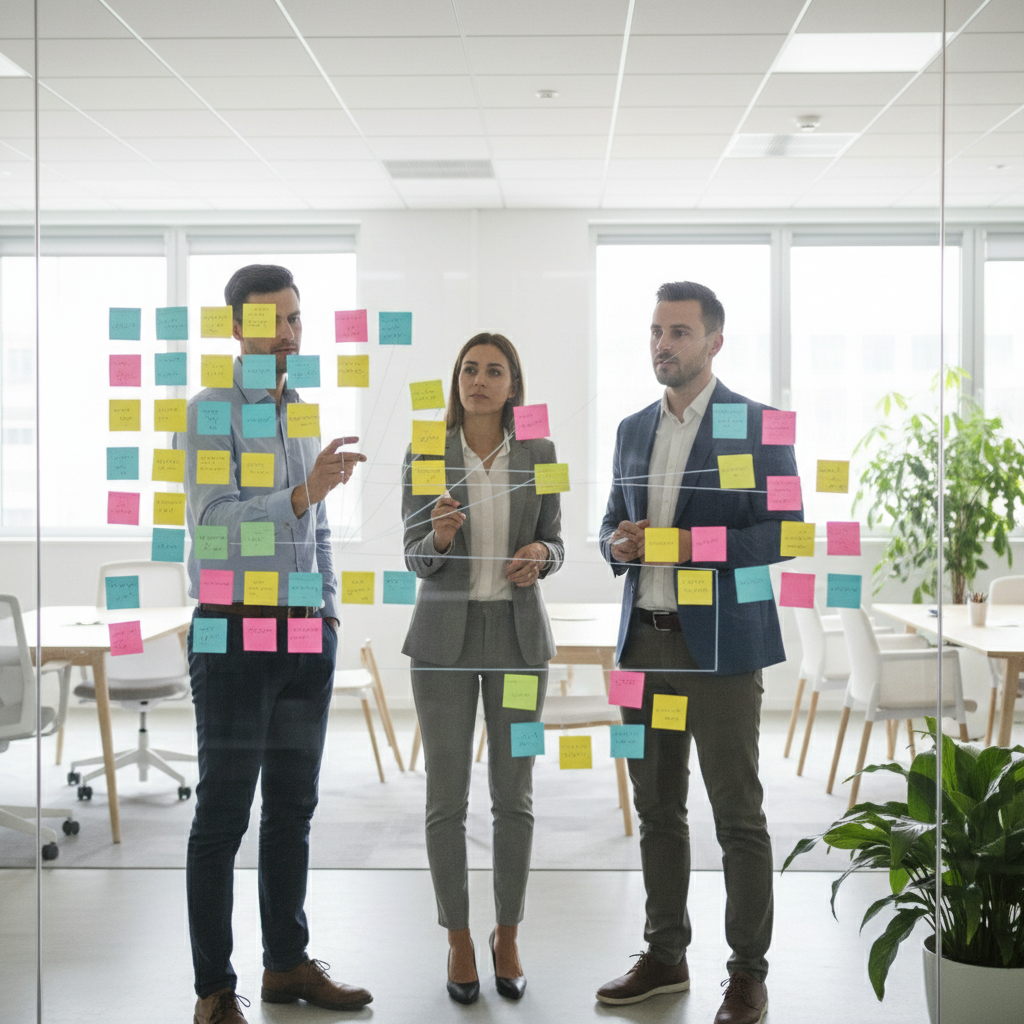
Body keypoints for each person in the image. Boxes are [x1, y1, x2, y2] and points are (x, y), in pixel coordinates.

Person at [595, 282, 802, 1024]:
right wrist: (614, 542)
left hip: (719, 650)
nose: (662, 344)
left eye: (678, 331)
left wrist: (687, 547)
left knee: (737, 816)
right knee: (656, 810)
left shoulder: (759, 423)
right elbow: (610, 523)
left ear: (714, 340)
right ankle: (664, 955)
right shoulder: (628, 428)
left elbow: (785, 533)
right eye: (655, 330)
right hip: (642, 648)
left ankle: (747, 972)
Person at [179, 264, 371, 1024]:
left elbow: (315, 530)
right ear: (237, 328)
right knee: (223, 816)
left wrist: (326, 614)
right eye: (272, 320)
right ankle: (213, 990)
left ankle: (287, 965)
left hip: (301, 634)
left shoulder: (299, 410)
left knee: (292, 809)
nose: (288, 332)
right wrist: (301, 495)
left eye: (295, 318)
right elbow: (216, 525)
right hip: (232, 630)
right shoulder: (210, 410)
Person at [401, 332, 564, 1005]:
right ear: (457, 381)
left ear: (512, 385)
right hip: (442, 641)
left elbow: (555, 538)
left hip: (519, 639)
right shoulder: (426, 451)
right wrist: (436, 538)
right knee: (446, 798)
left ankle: (507, 932)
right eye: (469, 369)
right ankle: (458, 936)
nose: (479, 380)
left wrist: (543, 555)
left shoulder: (542, 452)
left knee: (514, 798)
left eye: (494, 370)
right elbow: (413, 555)